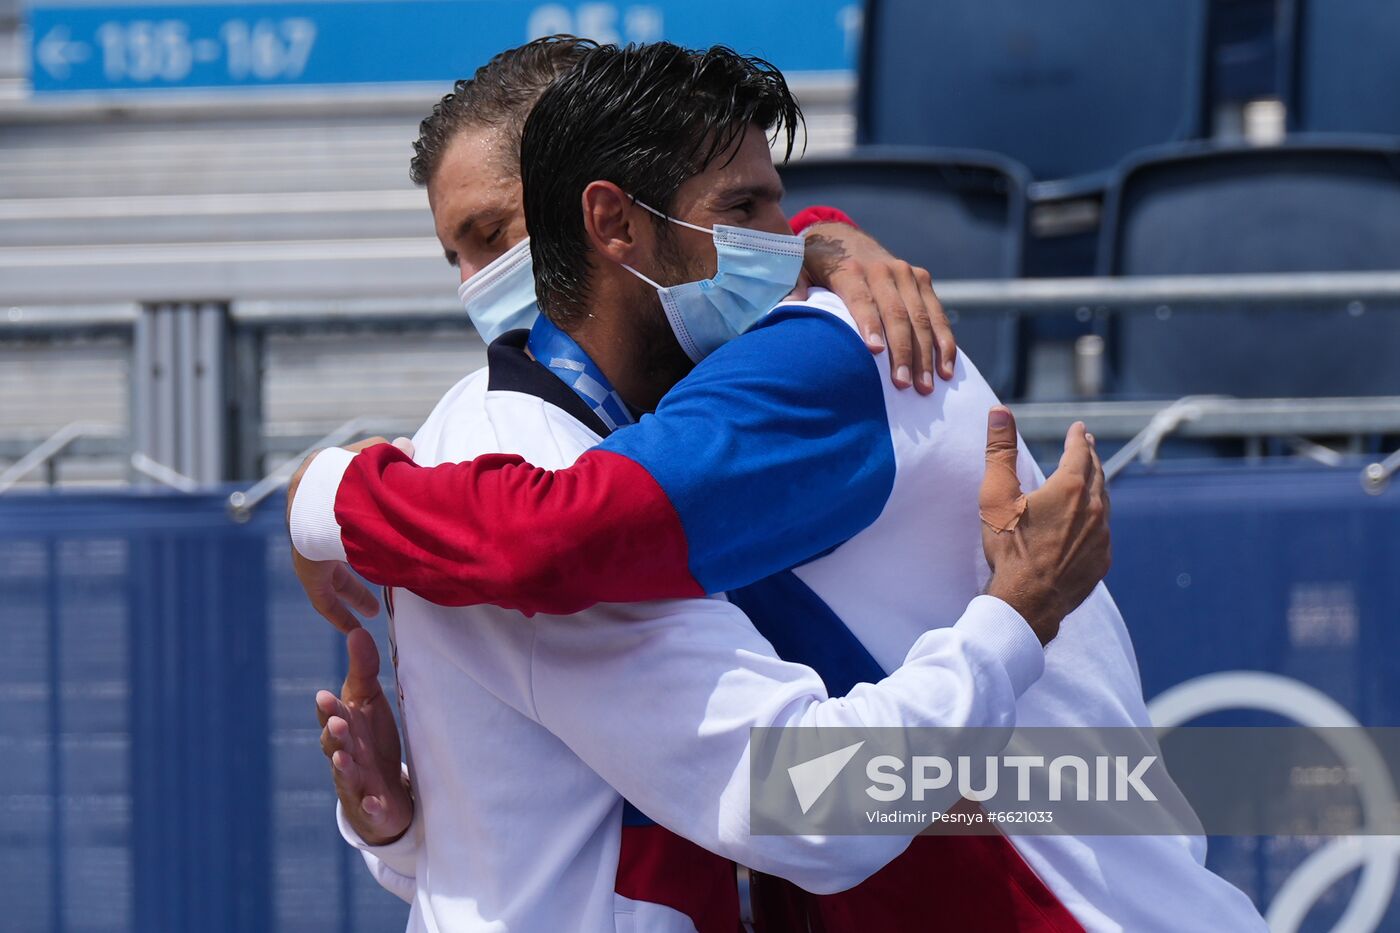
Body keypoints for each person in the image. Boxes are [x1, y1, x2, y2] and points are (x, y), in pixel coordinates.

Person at [290, 42, 1269, 931]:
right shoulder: (535, 432)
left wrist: (324, 494)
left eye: (500, 228)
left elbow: (557, 538)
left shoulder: (831, 354)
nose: (785, 241)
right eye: (748, 210)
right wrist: (406, 830)